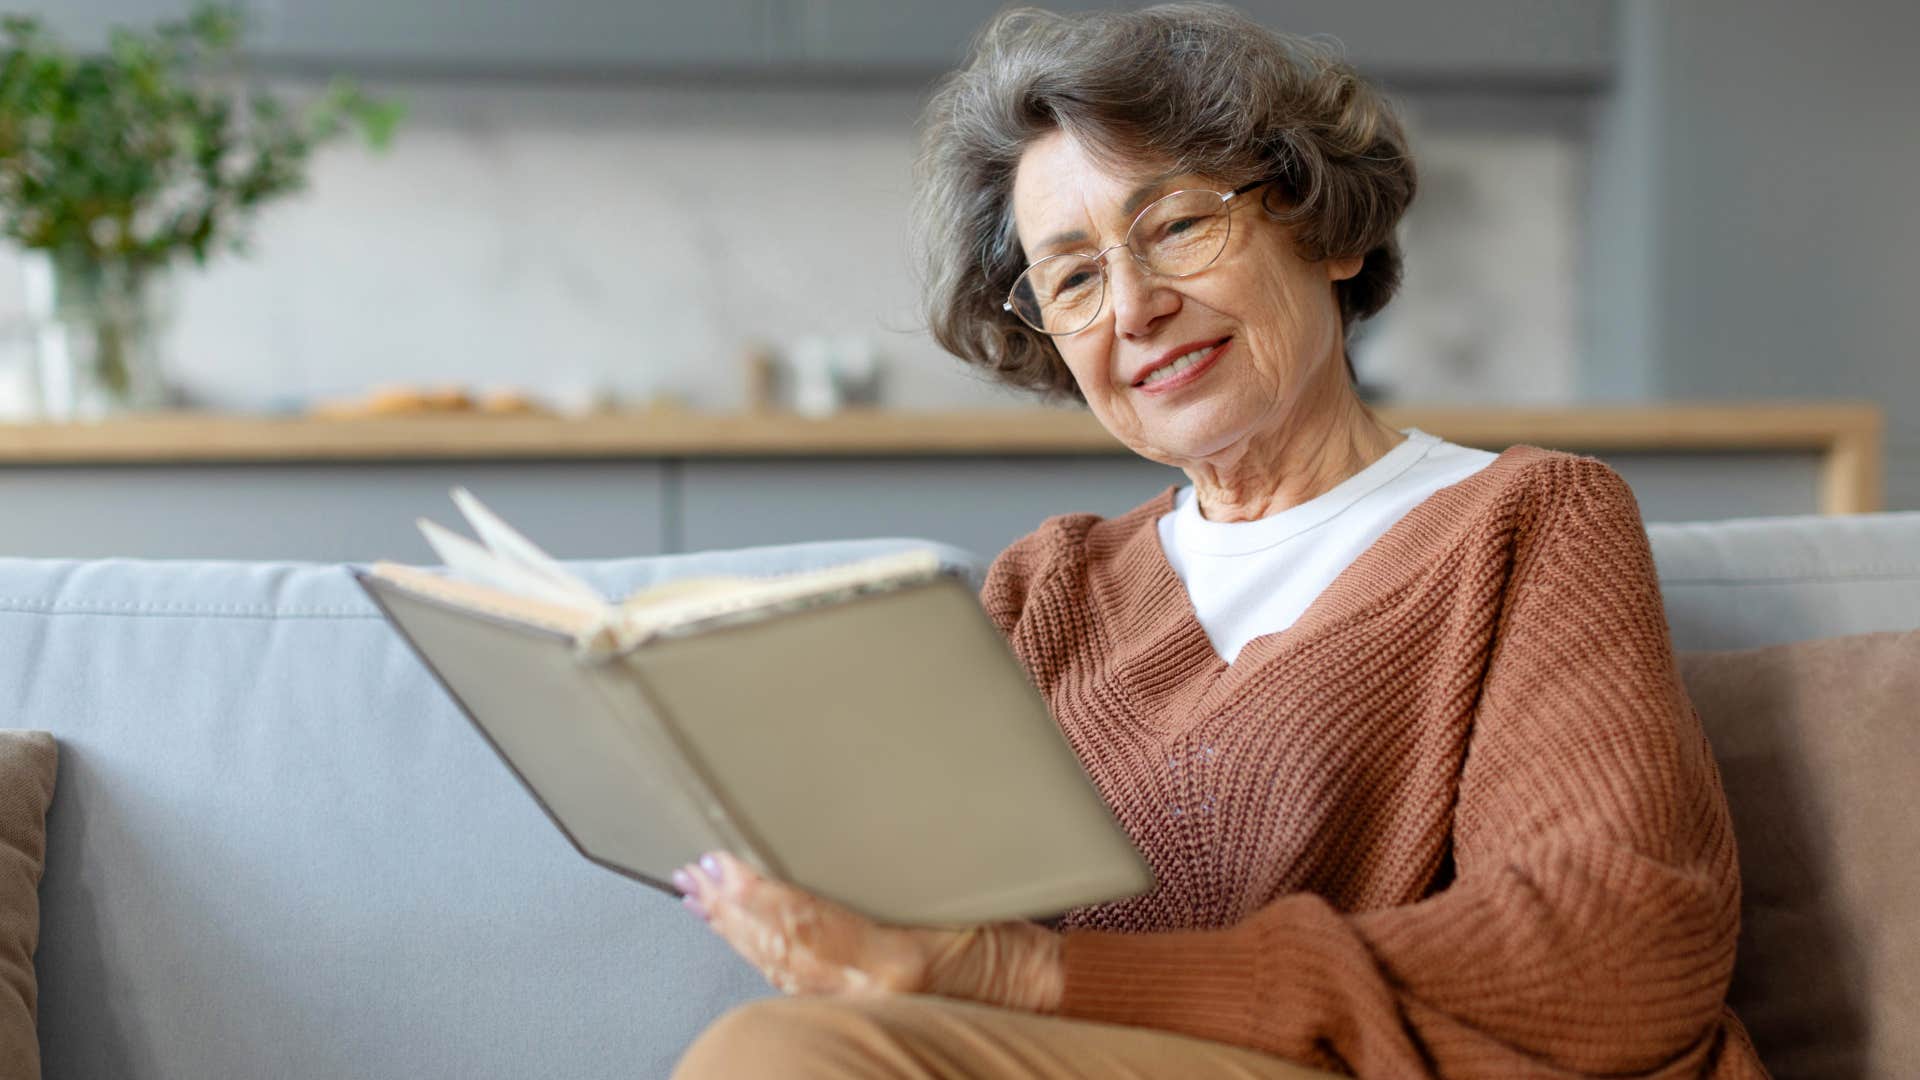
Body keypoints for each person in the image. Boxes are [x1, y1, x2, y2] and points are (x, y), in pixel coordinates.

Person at [669, 4, 1768, 1076]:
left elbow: (1618, 950)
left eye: (1180, 226)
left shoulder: (1526, 524)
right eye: (1075, 278)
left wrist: (1037, 979)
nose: (1134, 309)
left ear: (1324, 228)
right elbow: (936, 959)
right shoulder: (1048, 591)